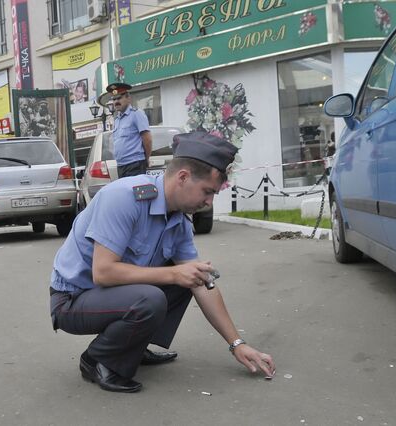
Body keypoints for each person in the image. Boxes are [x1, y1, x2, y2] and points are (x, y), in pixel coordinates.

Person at [49, 131, 276, 393]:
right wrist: (174, 274)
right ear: (183, 177)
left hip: (108, 296)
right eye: (207, 191)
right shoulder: (124, 198)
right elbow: (103, 272)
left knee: (190, 277)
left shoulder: (178, 218)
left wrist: (237, 343)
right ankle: (98, 359)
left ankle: (132, 346)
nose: (209, 201)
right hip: (73, 299)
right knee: (156, 293)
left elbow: (203, 285)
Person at [107, 82, 152, 178]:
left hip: (135, 164)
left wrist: (146, 158)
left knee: (135, 192)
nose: (116, 102)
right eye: (114, 99)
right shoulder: (117, 119)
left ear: (128, 98)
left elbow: (147, 139)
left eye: (119, 98)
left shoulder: (136, 114)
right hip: (121, 165)